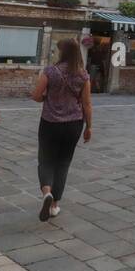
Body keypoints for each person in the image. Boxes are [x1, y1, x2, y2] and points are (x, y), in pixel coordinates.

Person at [29, 38, 93, 221]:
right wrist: (89, 127)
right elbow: (87, 104)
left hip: (50, 123)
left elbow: (35, 95)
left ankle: (47, 192)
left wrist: (46, 99)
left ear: (62, 52)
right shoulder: (83, 75)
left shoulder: (50, 71)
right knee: (63, 163)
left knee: (46, 161)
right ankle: (55, 204)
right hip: (74, 124)